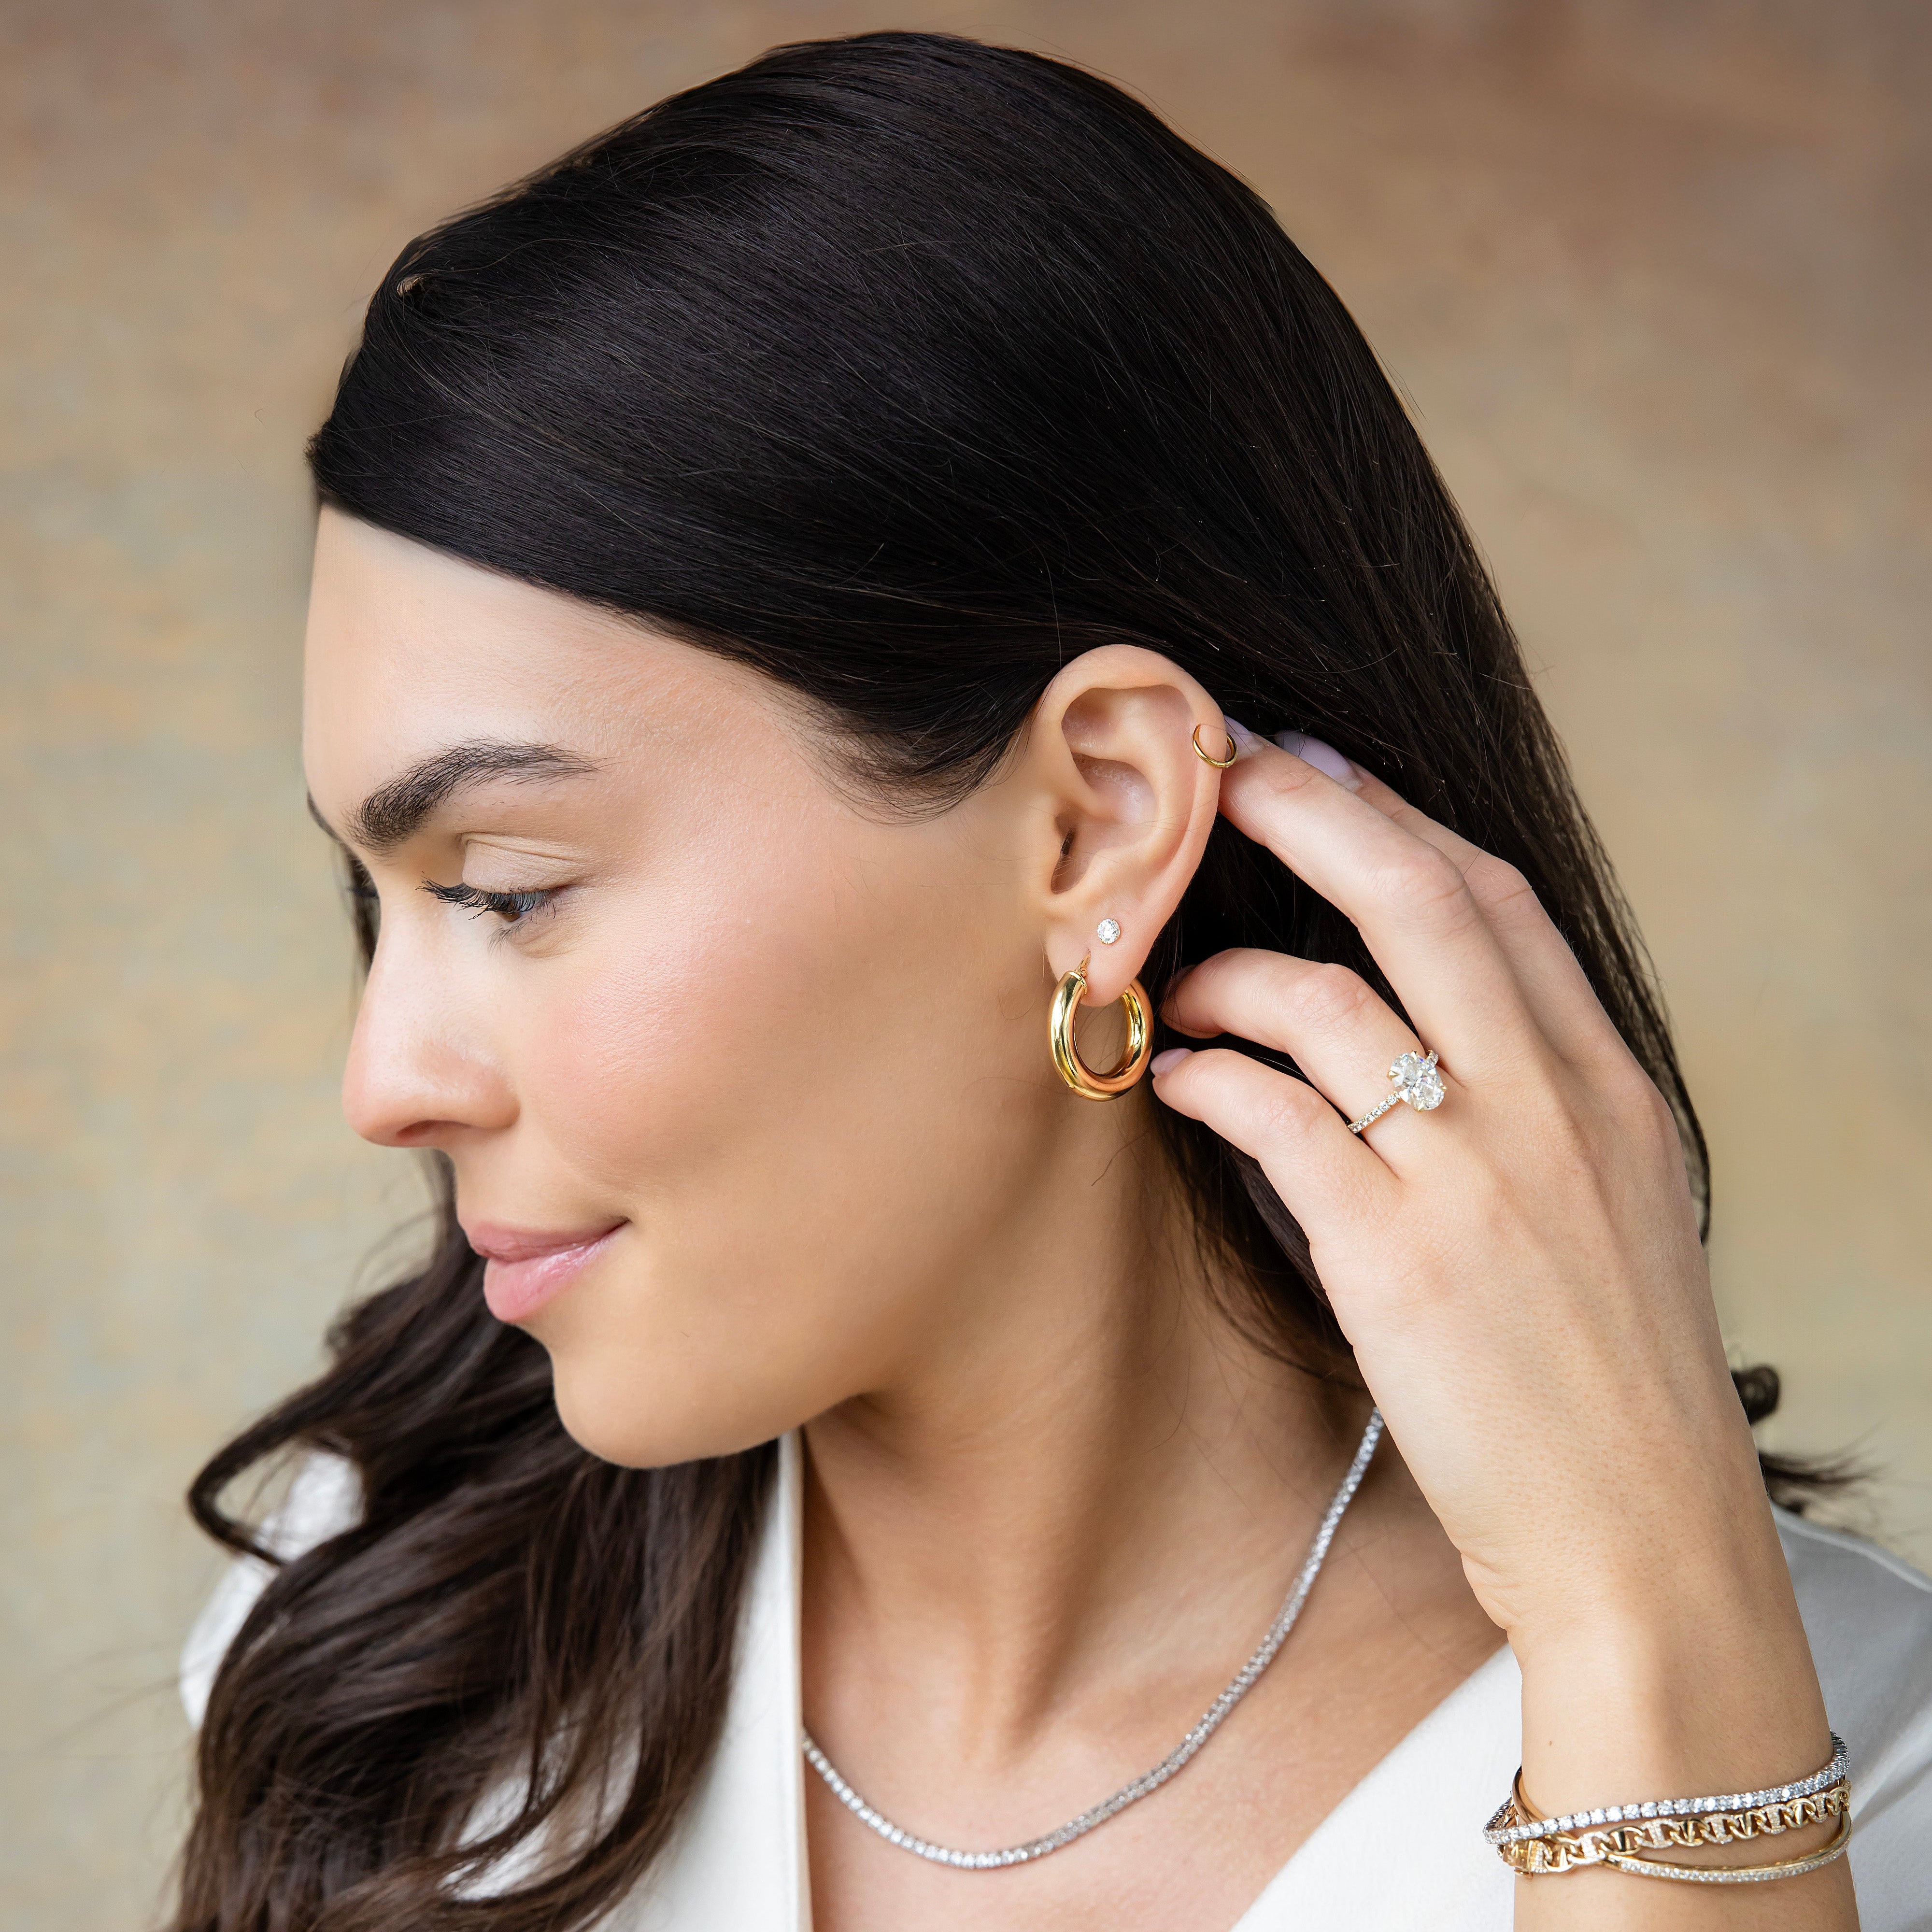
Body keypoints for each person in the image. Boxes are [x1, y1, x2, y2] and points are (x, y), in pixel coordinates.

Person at [169, 30, 1932, 1932]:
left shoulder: (1859, 1770)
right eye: (381, 896)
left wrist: (1653, 1656)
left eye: (507, 890)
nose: (385, 1083)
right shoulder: (389, 1641)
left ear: (1096, 822)